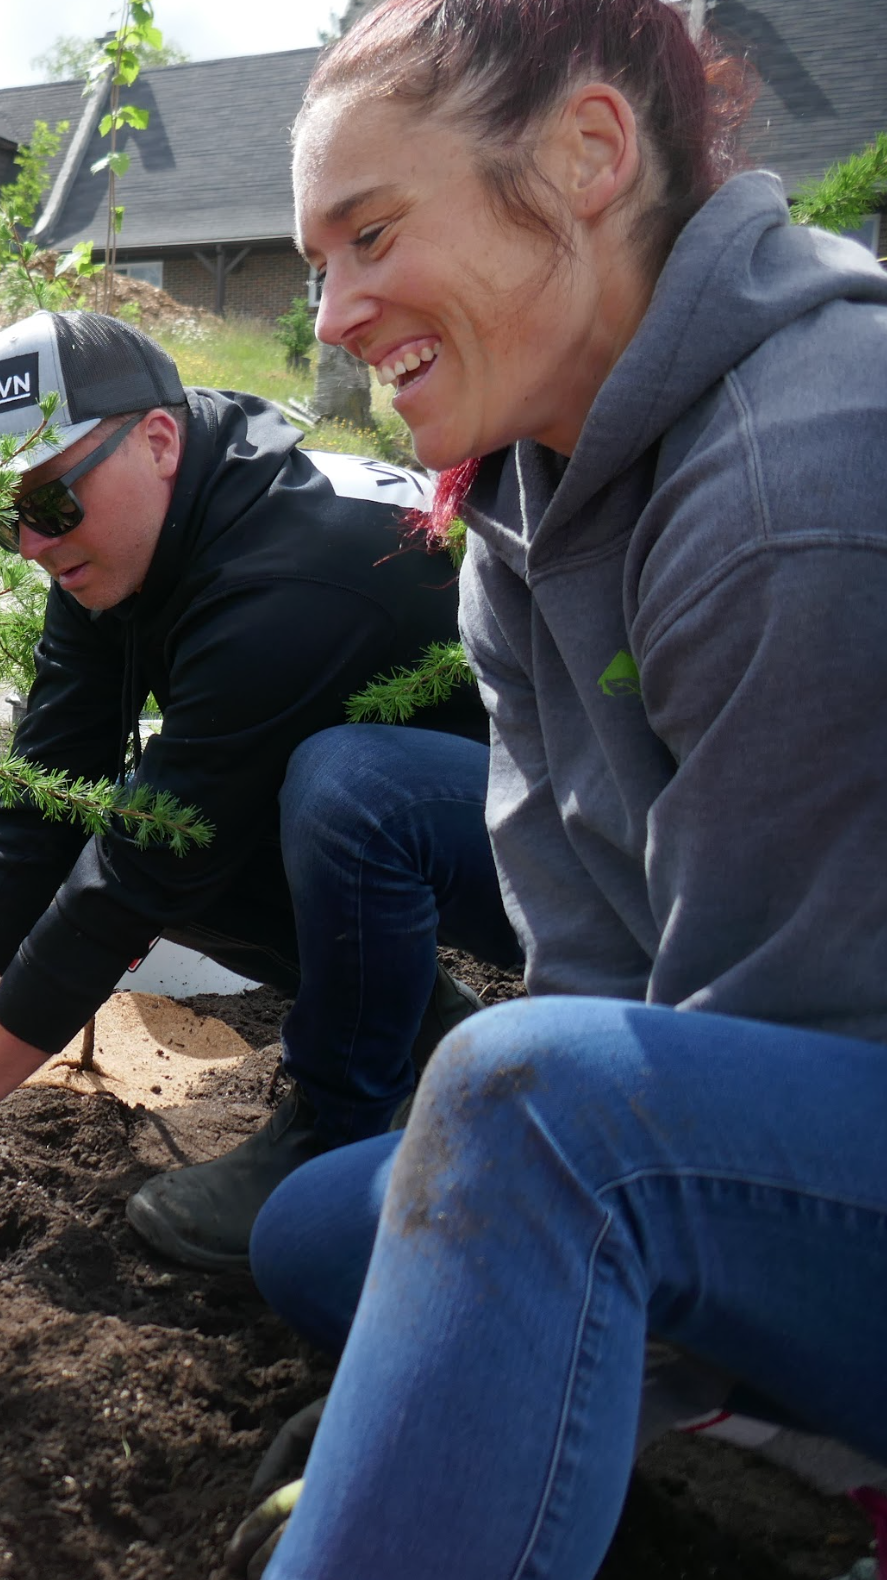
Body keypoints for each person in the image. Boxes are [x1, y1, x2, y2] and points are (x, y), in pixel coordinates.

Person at [229, 2, 887, 1574]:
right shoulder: (525, 505)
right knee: (326, 1232)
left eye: (370, 232)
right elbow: (592, 978)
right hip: (806, 1109)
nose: (330, 311)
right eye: (317, 261)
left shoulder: (795, 481)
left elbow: (746, 1053)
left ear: (589, 155)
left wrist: (483, 1369)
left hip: (835, 1066)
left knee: (527, 1131)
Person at [0, 307, 518, 1272]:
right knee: (196, 820)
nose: (32, 544)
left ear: (160, 441)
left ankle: (340, 1124)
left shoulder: (285, 576)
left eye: (48, 504)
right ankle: (425, 1032)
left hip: (560, 840)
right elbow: (42, 804)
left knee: (325, 793)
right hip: (429, 803)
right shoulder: (127, 539)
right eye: (2, 517)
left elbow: (134, 877)